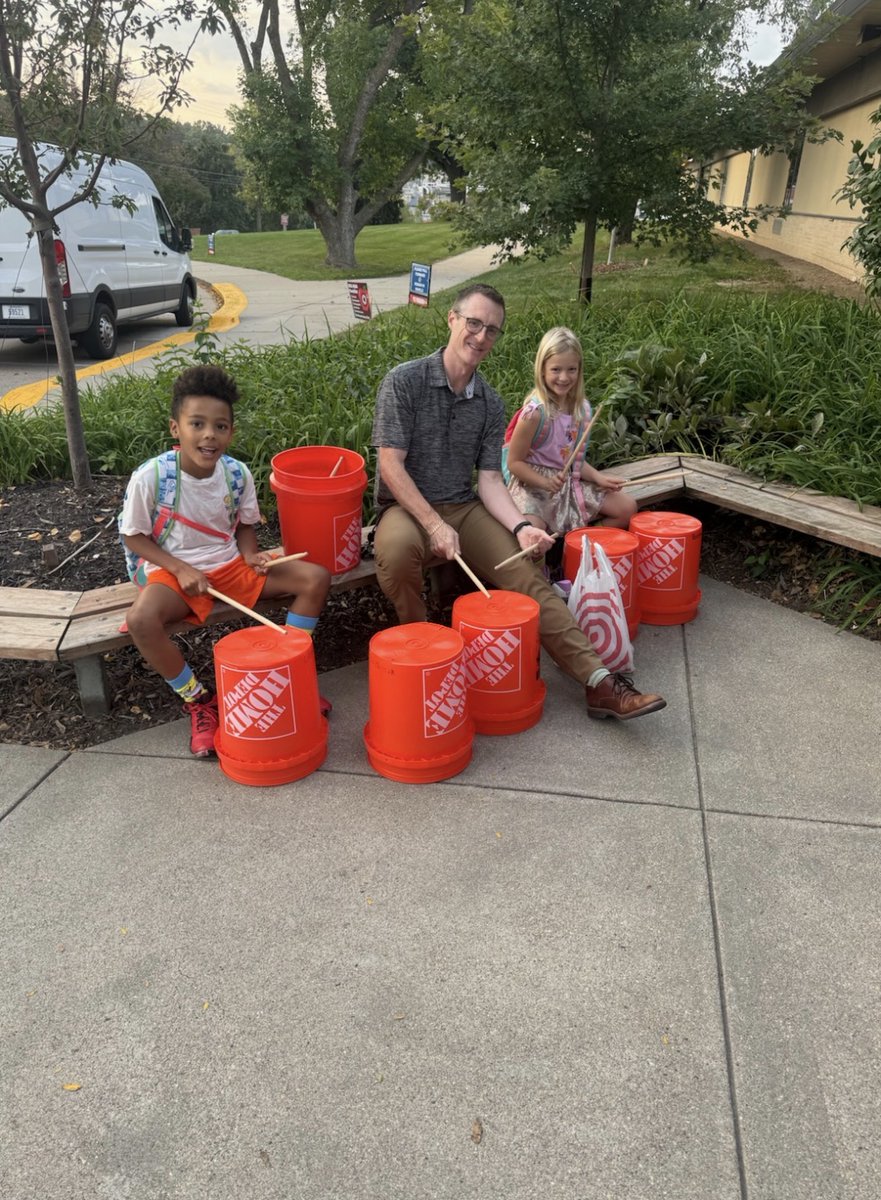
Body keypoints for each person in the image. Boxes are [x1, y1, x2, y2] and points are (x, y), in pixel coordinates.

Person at [371, 283, 666, 721]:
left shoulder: (489, 401)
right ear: (451, 319)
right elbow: (391, 467)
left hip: (464, 506)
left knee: (527, 575)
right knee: (395, 553)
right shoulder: (405, 381)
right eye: (474, 323)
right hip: (406, 507)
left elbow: (491, 479)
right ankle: (424, 660)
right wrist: (433, 525)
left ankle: (601, 682)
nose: (480, 337)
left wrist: (521, 527)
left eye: (492, 330)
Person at [119, 365, 331, 758]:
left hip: (230, 567)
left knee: (315, 578)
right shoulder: (152, 476)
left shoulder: (237, 474)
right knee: (140, 621)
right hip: (173, 570)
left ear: (231, 431)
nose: (209, 435)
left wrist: (252, 556)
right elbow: (133, 535)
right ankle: (199, 701)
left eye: (220, 426)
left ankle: (288, 677)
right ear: (175, 428)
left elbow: (244, 527)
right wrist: (181, 569)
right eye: (196, 423)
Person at [506, 326, 636, 534]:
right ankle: (545, 562)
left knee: (627, 508)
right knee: (533, 533)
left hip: (565, 484)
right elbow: (514, 463)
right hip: (532, 488)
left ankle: (578, 547)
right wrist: (545, 482)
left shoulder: (580, 409)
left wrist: (597, 477)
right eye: (556, 369)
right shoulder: (535, 414)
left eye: (571, 369)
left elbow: (570, 458)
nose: (564, 377)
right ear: (542, 369)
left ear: (579, 369)